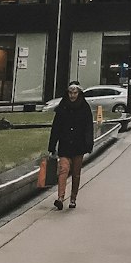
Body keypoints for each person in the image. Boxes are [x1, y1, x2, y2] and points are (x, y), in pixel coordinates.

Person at [48, 81, 94, 210]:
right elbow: (56, 127)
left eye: (75, 93)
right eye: (70, 92)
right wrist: (52, 145)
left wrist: (89, 143)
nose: (72, 95)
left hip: (79, 145)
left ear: (79, 93)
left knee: (76, 173)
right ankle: (60, 197)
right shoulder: (62, 107)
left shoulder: (84, 107)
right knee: (63, 170)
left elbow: (88, 127)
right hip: (65, 144)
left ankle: (73, 198)